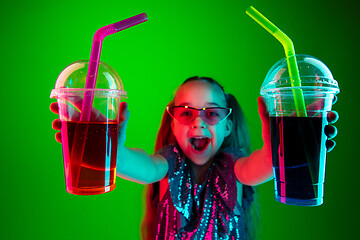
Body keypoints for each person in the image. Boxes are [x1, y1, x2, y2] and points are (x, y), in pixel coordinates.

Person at [50, 76, 338, 239]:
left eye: (211, 113)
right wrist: (108, 146)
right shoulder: (167, 163)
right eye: (186, 113)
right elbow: (134, 165)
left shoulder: (234, 167)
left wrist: (290, 143)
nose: (198, 123)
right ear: (173, 123)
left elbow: (265, 166)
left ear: (227, 125)